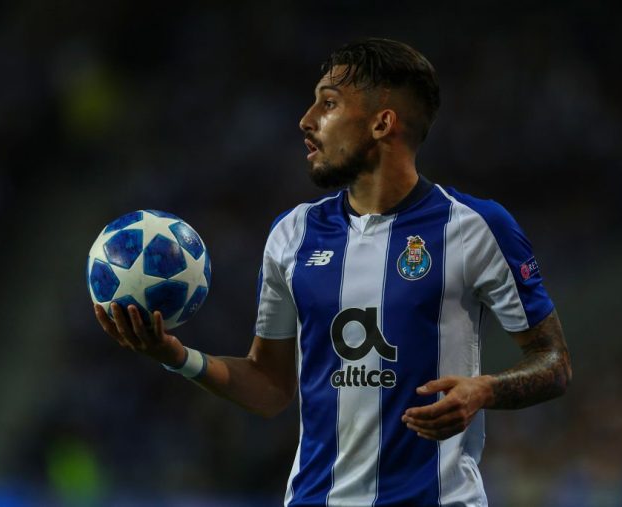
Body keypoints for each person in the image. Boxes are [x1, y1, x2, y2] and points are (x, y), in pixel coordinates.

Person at [94, 38, 572, 507]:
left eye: (328, 103)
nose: (306, 120)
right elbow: (269, 386)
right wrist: (176, 356)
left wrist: (484, 390)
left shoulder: (476, 227)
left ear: (382, 123)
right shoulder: (292, 234)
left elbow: (553, 362)